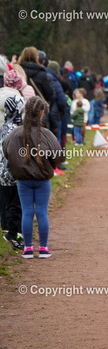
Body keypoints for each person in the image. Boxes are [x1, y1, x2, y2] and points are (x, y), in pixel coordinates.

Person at [2, 96, 65, 258]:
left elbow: (6, 151)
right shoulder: (47, 134)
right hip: (43, 180)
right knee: (42, 212)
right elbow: (59, 156)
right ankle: (43, 248)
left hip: (23, 180)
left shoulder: (15, 134)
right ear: (42, 112)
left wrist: (18, 164)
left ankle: (28, 248)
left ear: (25, 111)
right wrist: (49, 164)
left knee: (27, 212)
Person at [0, 95, 26, 250]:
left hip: (3, 171)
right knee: (16, 205)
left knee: (8, 203)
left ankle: (10, 231)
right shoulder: (15, 129)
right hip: (12, 171)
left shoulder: (5, 126)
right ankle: (14, 234)